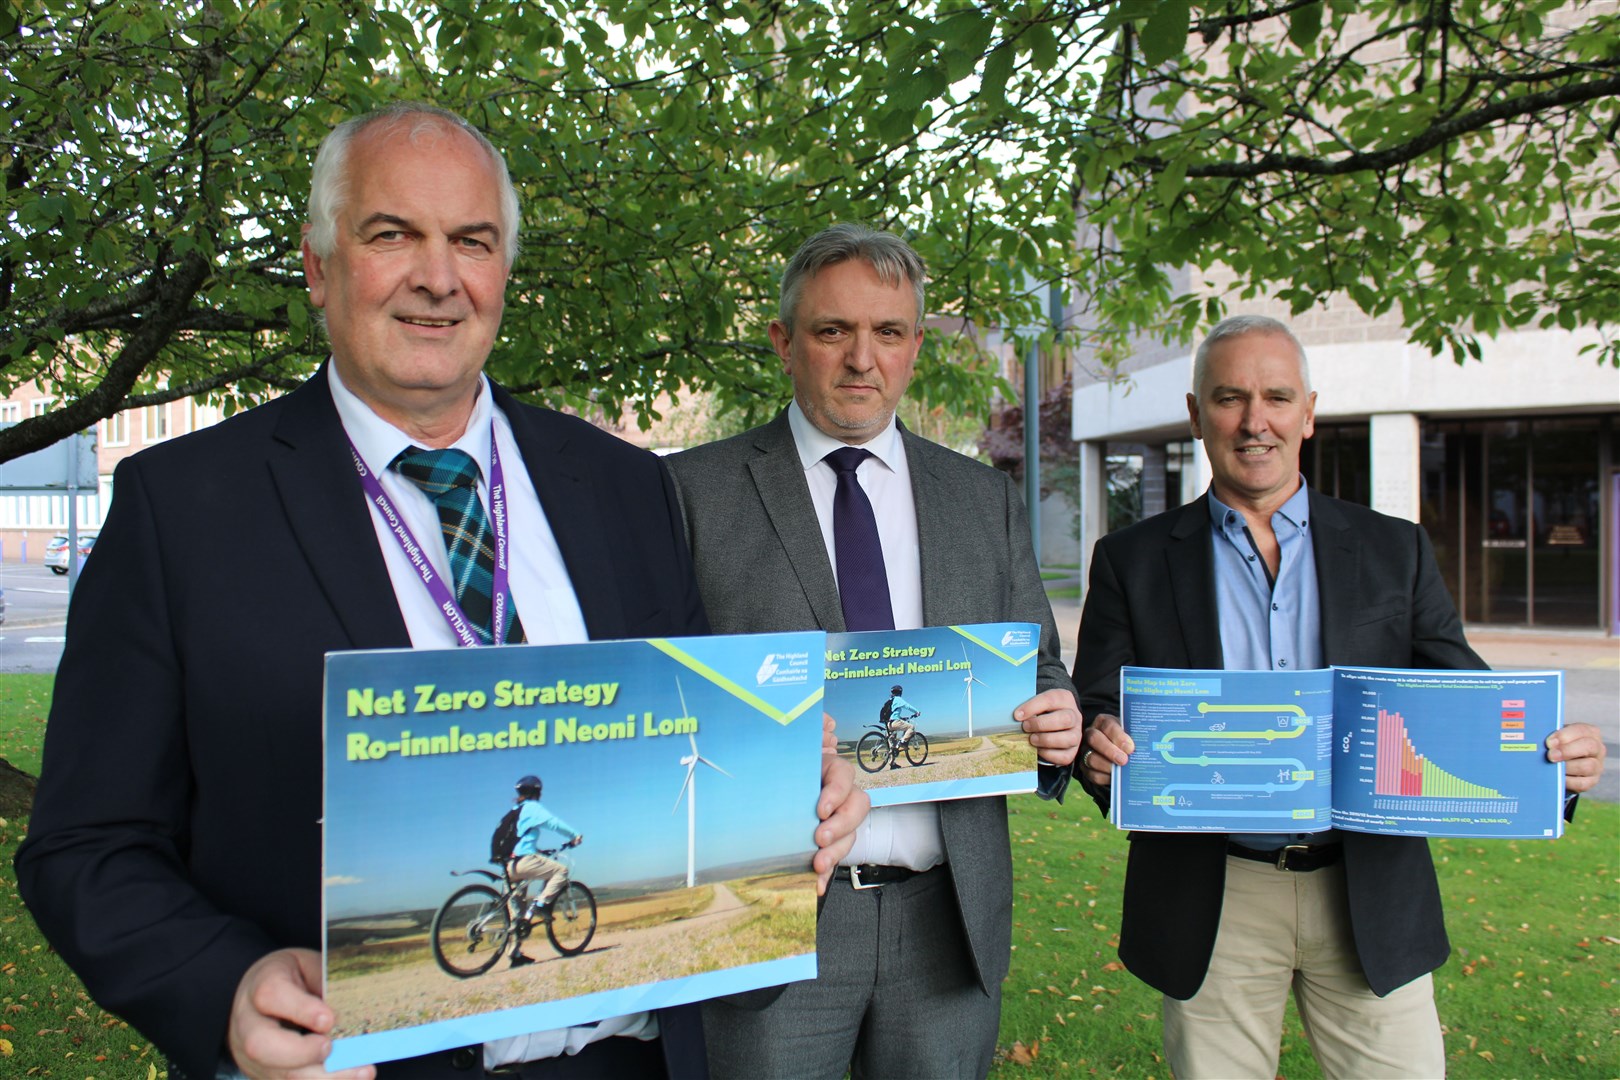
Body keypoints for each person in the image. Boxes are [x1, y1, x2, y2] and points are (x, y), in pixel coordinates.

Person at [14, 103, 866, 1080]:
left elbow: (695, 760)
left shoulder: (626, 487)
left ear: (502, 270)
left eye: (472, 241)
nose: (437, 277)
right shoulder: (184, 511)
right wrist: (229, 985)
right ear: (317, 264)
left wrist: (797, 805)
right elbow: (86, 846)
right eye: (391, 235)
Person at [1072, 314, 1608, 1079]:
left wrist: (1550, 763)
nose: (1255, 421)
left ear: (1309, 412)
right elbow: (1101, 705)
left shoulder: (1394, 547)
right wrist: (1101, 749)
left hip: (1368, 893)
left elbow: (1466, 695)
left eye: (1276, 397)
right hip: (1213, 893)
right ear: (1196, 415)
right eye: (1229, 398)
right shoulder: (1131, 560)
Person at [667, 223, 1083, 1079]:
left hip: (947, 916)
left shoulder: (979, 499)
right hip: (771, 916)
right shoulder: (692, 494)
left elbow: (1040, 666)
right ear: (784, 342)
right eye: (833, 331)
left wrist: (1059, 724)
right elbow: (659, 699)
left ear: (916, 346)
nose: (863, 358)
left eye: (888, 333)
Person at [505, 775, 582, 968]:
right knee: (561, 871)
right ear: (536, 791)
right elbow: (553, 823)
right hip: (525, 862)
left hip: (509, 865)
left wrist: (538, 851)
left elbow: (520, 841)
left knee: (518, 912)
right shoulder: (532, 807)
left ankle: (515, 954)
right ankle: (542, 904)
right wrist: (574, 835)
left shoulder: (514, 811)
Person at [881, 684, 918, 754]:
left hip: (888, 724)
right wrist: (917, 711)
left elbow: (892, 714)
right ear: (900, 692)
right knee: (911, 727)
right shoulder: (898, 699)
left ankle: (892, 763)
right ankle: (903, 742)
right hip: (895, 722)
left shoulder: (890, 700)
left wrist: (901, 718)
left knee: (893, 746)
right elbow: (907, 706)